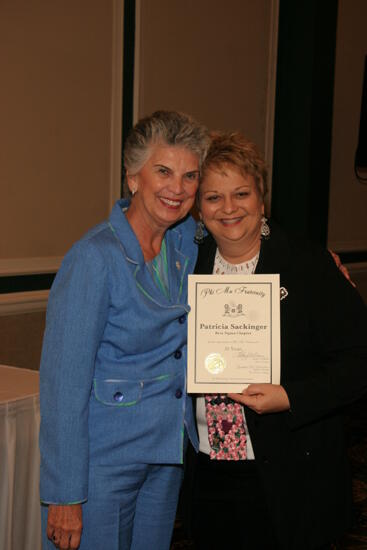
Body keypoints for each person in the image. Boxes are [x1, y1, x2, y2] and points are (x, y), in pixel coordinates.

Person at [187, 131, 367, 549]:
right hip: (207, 471)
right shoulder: (186, 267)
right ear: (199, 208)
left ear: (261, 199)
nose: (228, 208)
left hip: (291, 470)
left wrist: (291, 396)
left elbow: (359, 360)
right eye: (213, 197)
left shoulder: (307, 265)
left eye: (241, 193)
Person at [39, 110, 210, 550]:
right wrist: (65, 495)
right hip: (103, 464)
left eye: (190, 176)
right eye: (164, 171)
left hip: (168, 454)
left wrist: (319, 263)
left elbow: (244, 228)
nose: (178, 188)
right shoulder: (94, 258)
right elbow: (63, 386)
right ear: (133, 178)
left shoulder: (187, 242)